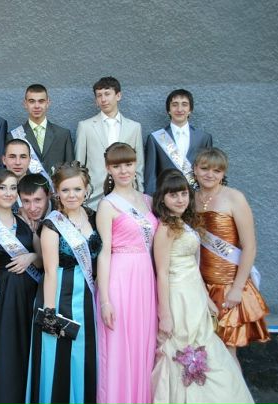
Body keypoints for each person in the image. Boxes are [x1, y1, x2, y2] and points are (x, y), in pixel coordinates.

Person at [150, 169, 254, 404]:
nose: (180, 200)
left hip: (195, 296)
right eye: (173, 195)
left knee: (208, 350)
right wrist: (165, 314)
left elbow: (193, 266)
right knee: (182, 350)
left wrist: (206, 299)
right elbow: (162, 273)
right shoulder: (165, 228)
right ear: (162, 199)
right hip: (178, 298)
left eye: (184, 194)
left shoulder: (183, 223)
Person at [26, 162, 101, 404]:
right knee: (58, 356)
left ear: (86, 190)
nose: (72, 195)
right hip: (59, 295)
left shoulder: (94, 217)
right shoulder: (52, 224)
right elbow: (49, 271)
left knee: (82, 355)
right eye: (66, 190)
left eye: (77, 189)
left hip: (87, 296)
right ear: (57, 192)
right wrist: (49, 313)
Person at [194, 148, 269, 365]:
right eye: (205, 168)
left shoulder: (234, 198)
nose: (210, 174)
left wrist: (237, 288)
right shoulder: (190, 199)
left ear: (223, 173)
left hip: (228, 287)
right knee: (203, 351)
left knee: (227, 352)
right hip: (200, 285)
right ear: (195, 169)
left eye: (217, 171)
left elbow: (249, 246)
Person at [96, 142, 157, 404]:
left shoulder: (148, 201)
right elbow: (104, 253)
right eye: (117, 165)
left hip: (145, 278)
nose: (123, 170)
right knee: (119, 346)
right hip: (119, 279)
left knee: (143, 342)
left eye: (128, 164)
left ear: (136, 165)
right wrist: (105, 300)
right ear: (108, 168)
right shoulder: (107, 205)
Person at [0, 169, 41, 404]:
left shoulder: (25, 221)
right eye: (2, 188)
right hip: (2, 298)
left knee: (27, 348)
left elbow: (42, 258)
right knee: (7, 350)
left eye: (13, 188)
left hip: (29, 295)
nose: (8, 193)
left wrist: (31, 257)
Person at [75, 76, 144, 209]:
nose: (103, 99)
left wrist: (140, 193)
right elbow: (79, 165)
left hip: (127, 196)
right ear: (96, 100)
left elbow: (139, 165)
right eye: (99, 95)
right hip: (94, 198)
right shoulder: (85, 126)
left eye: (107, 94)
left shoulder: (134, 127)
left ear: (118, 96)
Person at [144, 88, 213, 195]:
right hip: (166, 195)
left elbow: (209, 170)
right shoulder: (155, 138)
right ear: (169, 110)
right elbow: (151, 176)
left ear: (190, 110)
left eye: (184, 104)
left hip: (196, 195)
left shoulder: (203, 137)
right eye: (175, 105)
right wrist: (151, 199)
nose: (179, 109)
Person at [10, 83, 74, 173]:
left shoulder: (63, 134)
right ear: (25, 104)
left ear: (48, 103)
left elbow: (70, 170)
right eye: (32, 101)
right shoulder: (13, 136)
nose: (37, 106)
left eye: (41, 101)